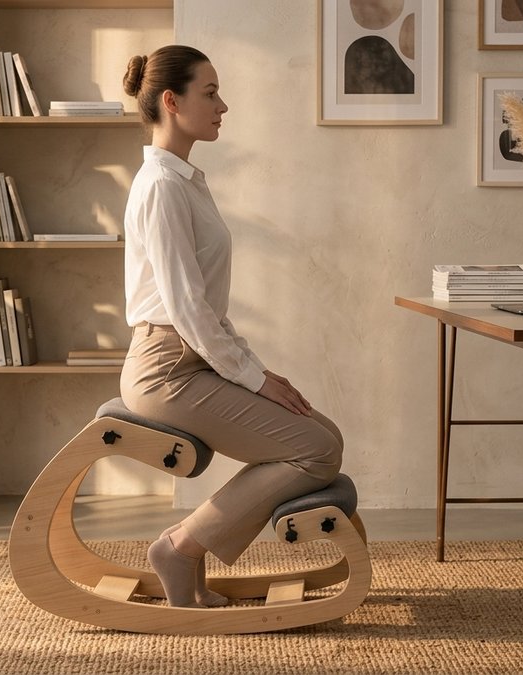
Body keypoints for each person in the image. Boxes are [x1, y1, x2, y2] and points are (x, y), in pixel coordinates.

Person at [119, 45, 344, 608]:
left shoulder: (185, 180)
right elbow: (187, 308)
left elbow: (207, 310)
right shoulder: (163, 187)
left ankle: (187, 552)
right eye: (211, 93)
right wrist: (252, 377)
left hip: (191, 358)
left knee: (325, 438)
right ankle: (179, 549)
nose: (224, 106)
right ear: (172, 101)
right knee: (315, 449)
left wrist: (257, 370)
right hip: (165, 370)